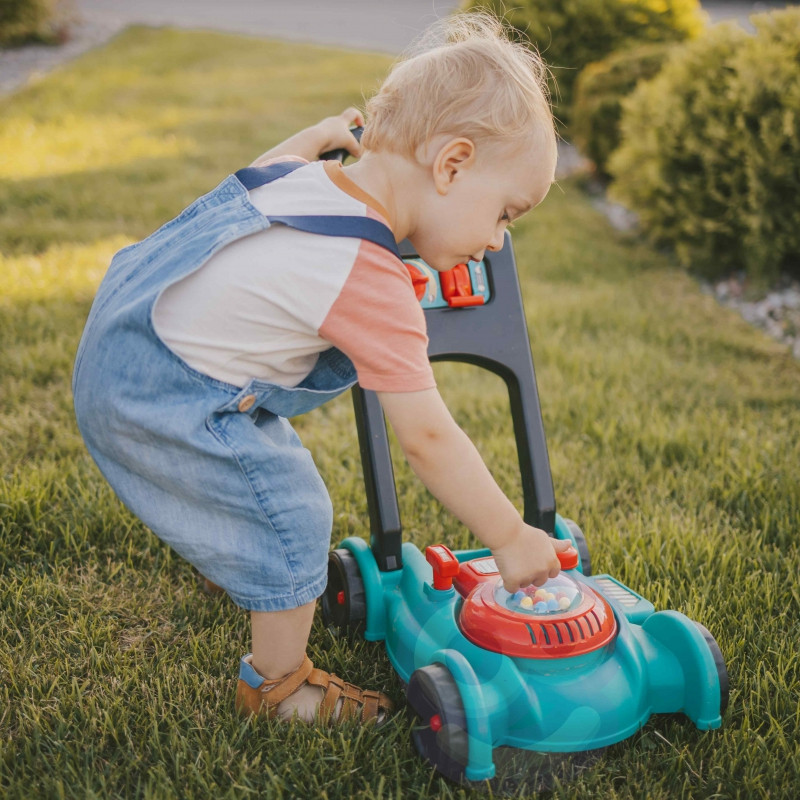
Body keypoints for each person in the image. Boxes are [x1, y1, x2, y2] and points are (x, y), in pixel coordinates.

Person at [72, 11, 571, 728]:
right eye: (505, 214)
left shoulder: (307, 176)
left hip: (121, 339)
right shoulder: (368, 278)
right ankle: (278, 690)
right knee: (293, 513)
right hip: (165, 393)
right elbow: (429, 438)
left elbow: (279, 160)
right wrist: (510, 537)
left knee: (254, 467)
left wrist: (319, 133)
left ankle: (242, 560)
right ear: (452, 164)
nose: (496, 241)